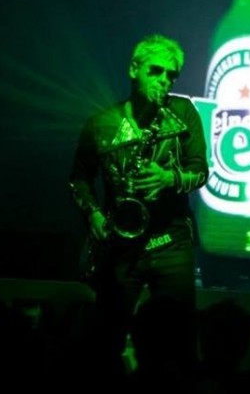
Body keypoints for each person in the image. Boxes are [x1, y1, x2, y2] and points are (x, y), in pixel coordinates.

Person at [68, 33, 208, 375]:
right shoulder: (102, 122)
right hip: (121, 245)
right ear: (134, 69)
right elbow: (79, 179)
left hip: (172, 242)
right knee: (106, 341)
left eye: (171, 75)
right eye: (155, 71)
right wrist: (94, 215)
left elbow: (201, 171)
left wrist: (169, 178)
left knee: (178, 342)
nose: (164, 81)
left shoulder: (183, 112)